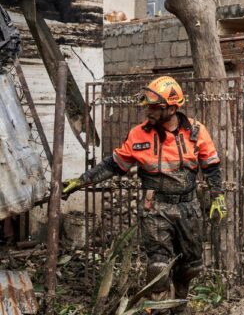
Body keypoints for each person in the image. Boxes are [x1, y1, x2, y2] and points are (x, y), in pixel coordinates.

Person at [63, 76, 226, 312]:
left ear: (172, 108)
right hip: (155, 208)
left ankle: (179, 305)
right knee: (158, 265)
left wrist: (217, 196)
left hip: (188, 208)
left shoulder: (197, 131)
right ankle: (159, 309)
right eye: (147, 106)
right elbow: (114, 164)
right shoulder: (138, 134)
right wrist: (82, 180)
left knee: (191, 266)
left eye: (154, 107)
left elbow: (211, 166)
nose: (148, 111)